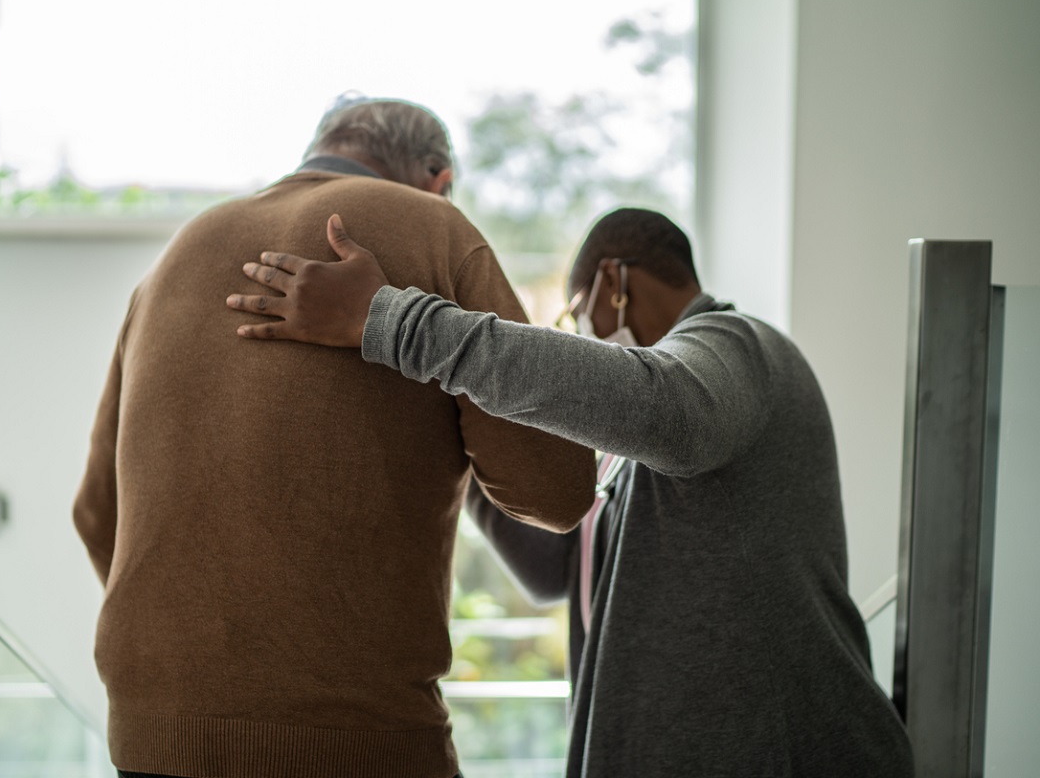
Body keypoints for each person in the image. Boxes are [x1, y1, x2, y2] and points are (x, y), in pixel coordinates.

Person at [224, 208, 916, 777]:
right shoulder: (626, 456)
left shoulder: (736, 344)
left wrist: (397, 323)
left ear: (614, 280)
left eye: (578, 314)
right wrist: (458, 422)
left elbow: (669, 415)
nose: (583, 333)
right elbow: (552, 570)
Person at [72, 97, 597, 778]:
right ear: (438, 177)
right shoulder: (434, 228)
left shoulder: (178, 254)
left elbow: (94, 513)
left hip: (151, 733)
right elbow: (554, 490)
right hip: (354, 739)